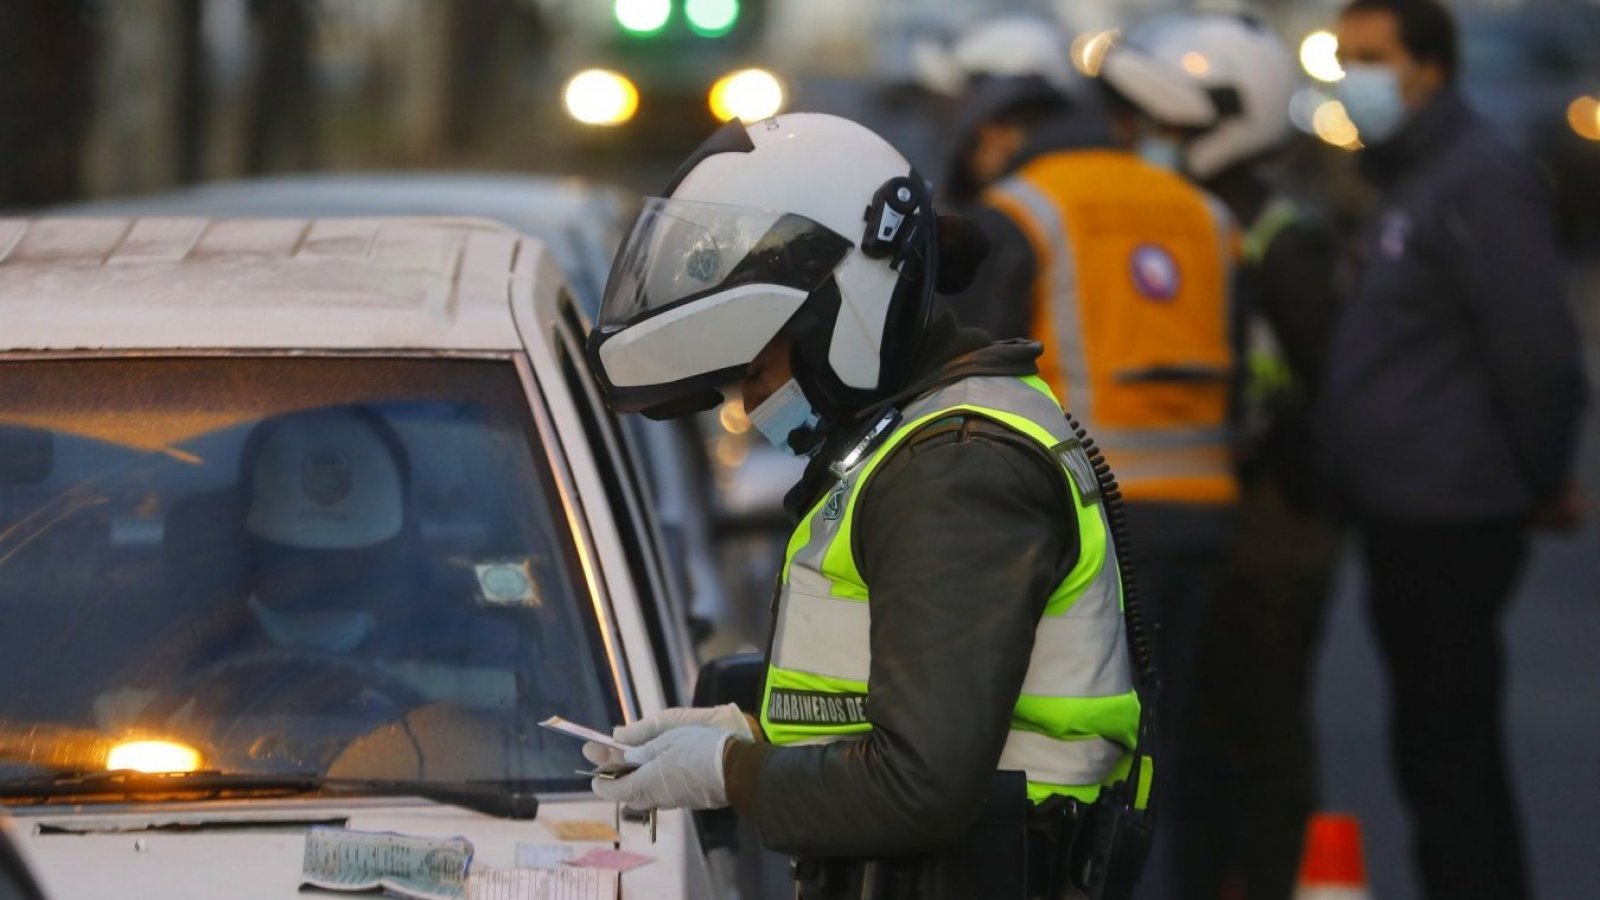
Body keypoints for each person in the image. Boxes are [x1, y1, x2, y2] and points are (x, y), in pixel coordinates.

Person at [582, 112, 1154, 899]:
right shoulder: (918, 440)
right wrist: (749, 733)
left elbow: (919, 785)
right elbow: (892, 712)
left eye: (754, 370)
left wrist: (731, 771)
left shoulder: (954, 471)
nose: (748, 407)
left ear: (839, 310)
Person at [944, 35, 1241, 900]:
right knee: (1175, 737)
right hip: (1205, 506)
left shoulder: (1020, 212)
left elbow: (976, 373)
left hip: (1088, 521)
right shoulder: (1202, 210)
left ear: (1002, 136)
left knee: (1071, 743)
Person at [1323, 2, 1589, 898]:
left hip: (1452, 512)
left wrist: (1544, 480)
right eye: (1345, 56)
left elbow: (1540, 352)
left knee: (1451, 758)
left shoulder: (1479, 177)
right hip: (1408, 505)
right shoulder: (1414, 173)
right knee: (1432, 750)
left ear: (1429, 68)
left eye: (1372, 56)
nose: (1353, 75)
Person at [1101, 13, 1349, 899]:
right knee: (1195, 749)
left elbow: (1329, 395)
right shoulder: (1174, 221)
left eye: (1169, 126)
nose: (1144, 143)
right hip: (1202, 522)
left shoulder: (1281, 238)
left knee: (1264, 743)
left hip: (1273, 530)